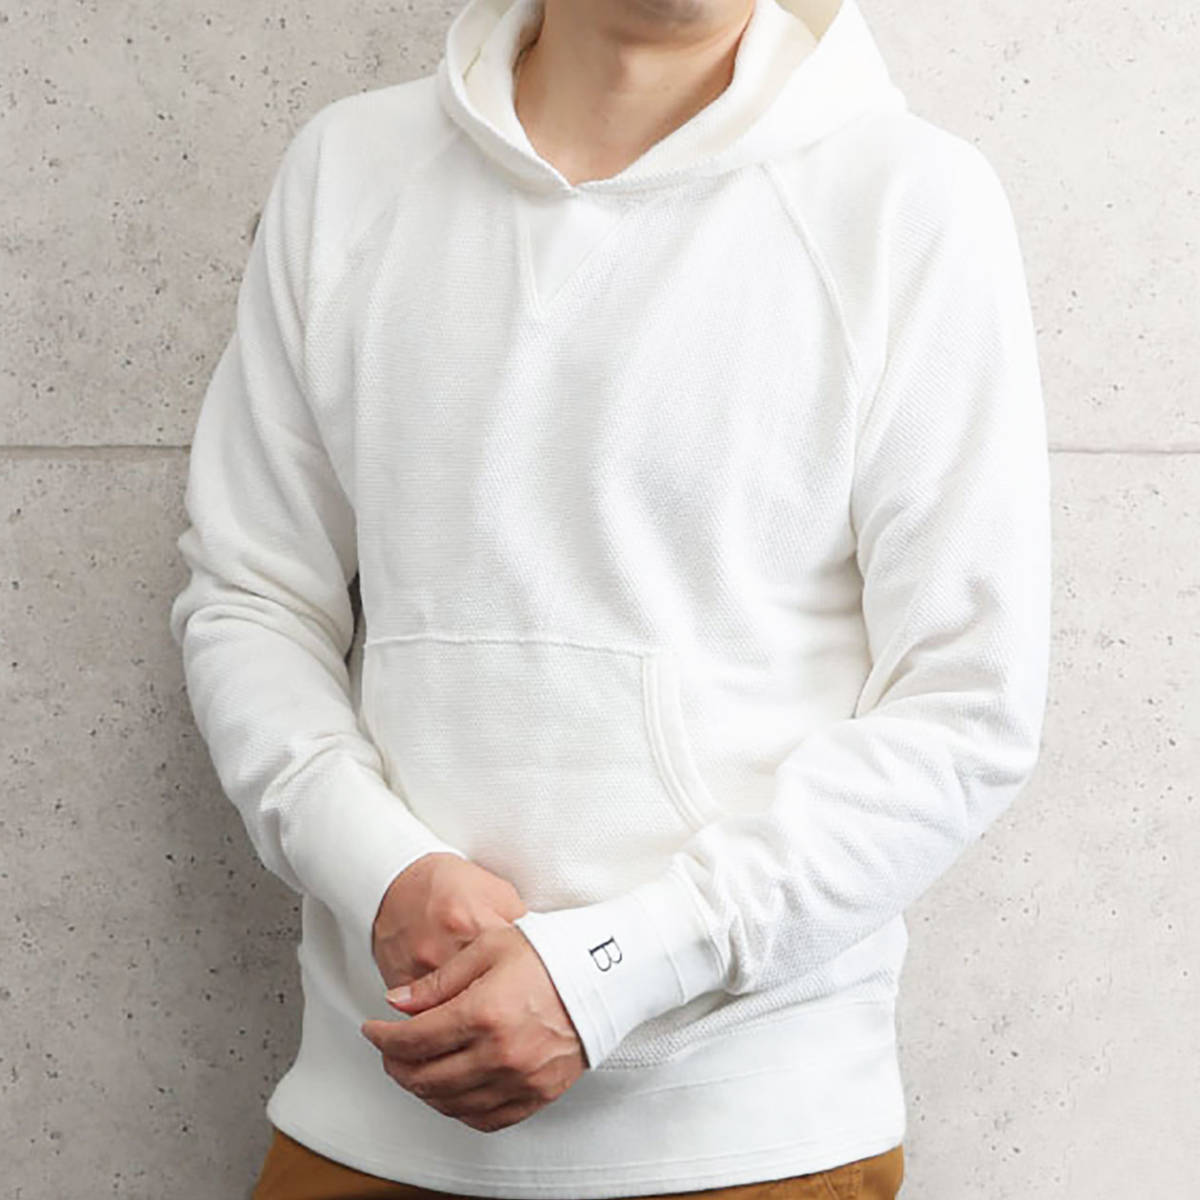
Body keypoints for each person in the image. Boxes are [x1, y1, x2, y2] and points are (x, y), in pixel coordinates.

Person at [167, 0, 1051, 1196]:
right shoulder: (350, 170)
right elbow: (253, 596)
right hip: (371, 1113)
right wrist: (379, 870)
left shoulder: (908, 200)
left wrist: (617, 968)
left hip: (749, 1138)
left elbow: (968, 702)